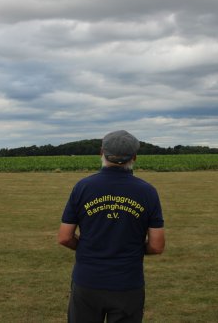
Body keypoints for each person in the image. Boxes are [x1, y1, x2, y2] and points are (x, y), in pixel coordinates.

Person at [58, 130, 165, 323]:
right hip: (128, 283)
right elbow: (157, 246)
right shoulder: (147, 191)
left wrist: (87, 247)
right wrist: (132, 250)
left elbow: (65, 237)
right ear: (134, 157)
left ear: (101, 153)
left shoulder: (83, 187)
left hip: (87, 280)